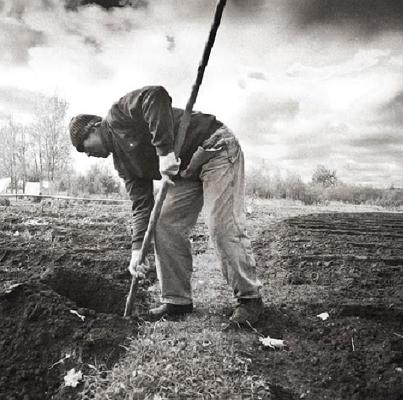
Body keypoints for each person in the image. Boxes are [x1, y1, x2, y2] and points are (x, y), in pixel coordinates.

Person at [68, 85, 264, 325]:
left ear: (93, 128)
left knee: (221, 225)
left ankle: (249, 298)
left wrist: (164, 152)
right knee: (163, 224)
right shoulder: (123, 164)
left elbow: (155, 95)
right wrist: (137, 249)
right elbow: (141, 205)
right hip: (185, 172)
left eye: (83, 146)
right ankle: (177, 300)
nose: (86, 155)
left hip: (214, 148)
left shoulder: (118, 115)